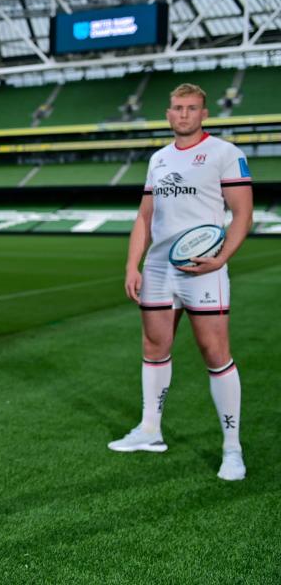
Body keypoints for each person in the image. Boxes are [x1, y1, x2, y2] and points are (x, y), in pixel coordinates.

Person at [109, 83, 253, 481]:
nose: (183, 114)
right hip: (158, 268)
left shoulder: (225, 154)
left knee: (214, 351)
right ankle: (150, 431)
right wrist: (131, 265)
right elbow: (144, 217)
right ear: (169, 113)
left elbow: (242, 214)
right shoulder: (158, 159)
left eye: (191, 108)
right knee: (154, 347)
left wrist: (221, 259)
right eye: (177, 108)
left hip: (203, 268)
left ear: (204, 113)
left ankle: (232, 448)